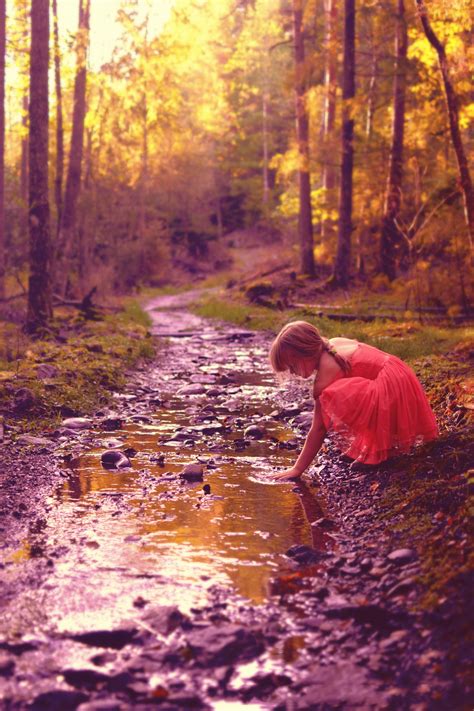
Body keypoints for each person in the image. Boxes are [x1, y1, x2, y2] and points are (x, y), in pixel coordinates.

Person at [269, 321, 438, 480]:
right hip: (401, 376)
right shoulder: (333, 344)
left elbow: (319, 429)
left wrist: (297, 469)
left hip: (393, 390)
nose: (292, 372)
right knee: (353, 392)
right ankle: (376, 447)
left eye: (292, 365)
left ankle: (380, 452)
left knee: (334, 396)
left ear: (303, 353)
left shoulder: (325, 376)